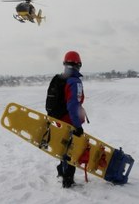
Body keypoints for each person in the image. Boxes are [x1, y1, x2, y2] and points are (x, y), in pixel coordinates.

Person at [46, 51, 86, 188]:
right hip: (69, 121)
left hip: (59, 120)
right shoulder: (74, 82)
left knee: (64, 147)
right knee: (72, 150)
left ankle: (61, 172)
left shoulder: (60, 79)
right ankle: (68, 181)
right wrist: (77, 126)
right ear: (78, 65)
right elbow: (73, 105)